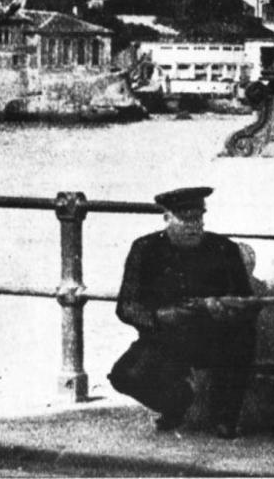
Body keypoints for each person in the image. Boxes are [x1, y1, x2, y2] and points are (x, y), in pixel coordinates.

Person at [107, 186, 257, 439]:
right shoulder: (145, 249)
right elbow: (127, 306)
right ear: (167, 218)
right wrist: (160, 317)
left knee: (242, 340)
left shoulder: (223, 249)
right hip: (167, 338)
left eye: (197, 218)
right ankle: (175, 403)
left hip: (215, 337)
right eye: (184, 219)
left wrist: (226, 312)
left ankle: (226, 417)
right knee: (124, 375)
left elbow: (247, 302)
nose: (192, 226)